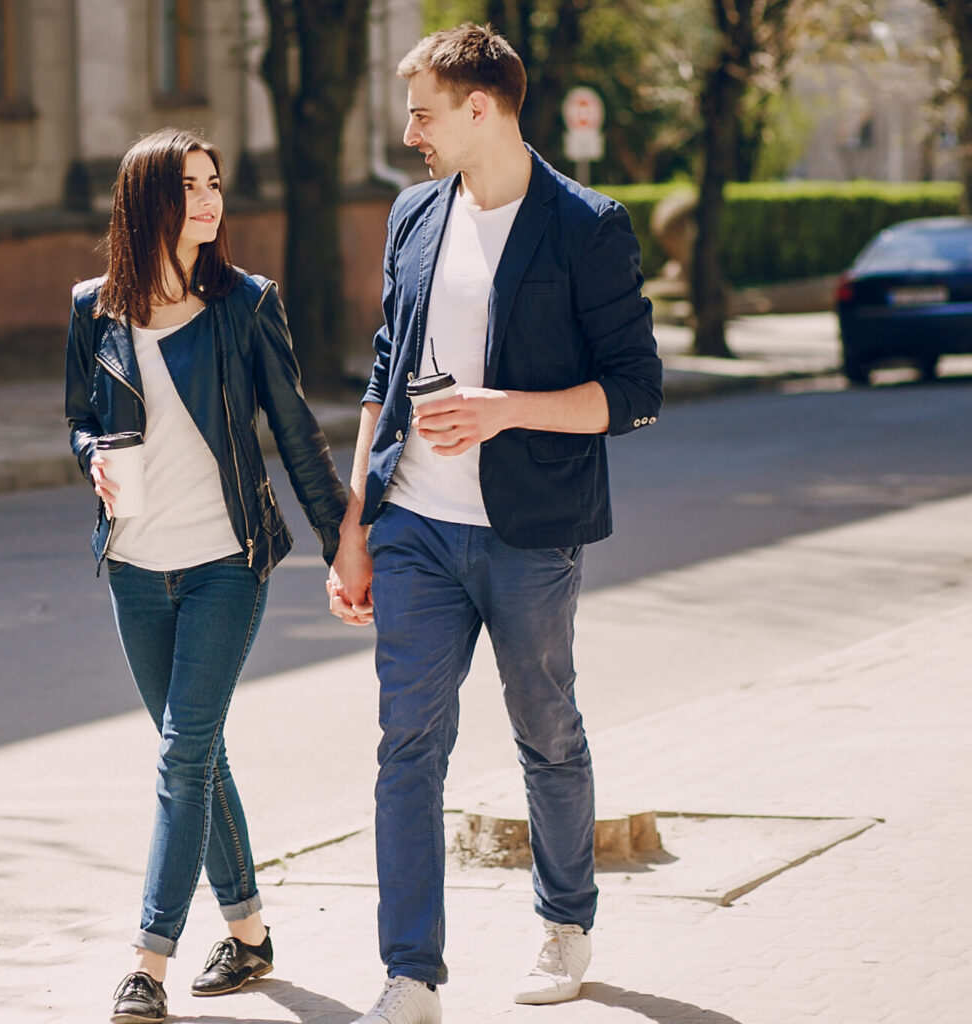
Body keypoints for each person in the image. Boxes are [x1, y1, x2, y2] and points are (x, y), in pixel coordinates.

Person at [324, 25, 665, 1024]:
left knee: (546, 731)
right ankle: (412, 975)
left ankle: (566, 921)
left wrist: (504, 407)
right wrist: (355, 525)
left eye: (423, 110)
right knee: (406, 744)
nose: (409, 129)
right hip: (414, 526)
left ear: (483, 107)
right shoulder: (414, 214)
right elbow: (385, 372)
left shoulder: (585, 225)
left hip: (528, 532)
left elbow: (634, 390)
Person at [65, 127, 360, 1024]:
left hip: (227, 563)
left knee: (179, 757)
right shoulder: (94, 309)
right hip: (133, 567)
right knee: (197, 754)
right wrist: (92, 461)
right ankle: (251, 931)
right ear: (145, 200)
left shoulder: (245, 305)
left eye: (214, 183)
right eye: (189, 185)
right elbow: (79, 418)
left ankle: (147, 964)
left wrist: (343, 535)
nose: (208, 200)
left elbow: (297, 432)